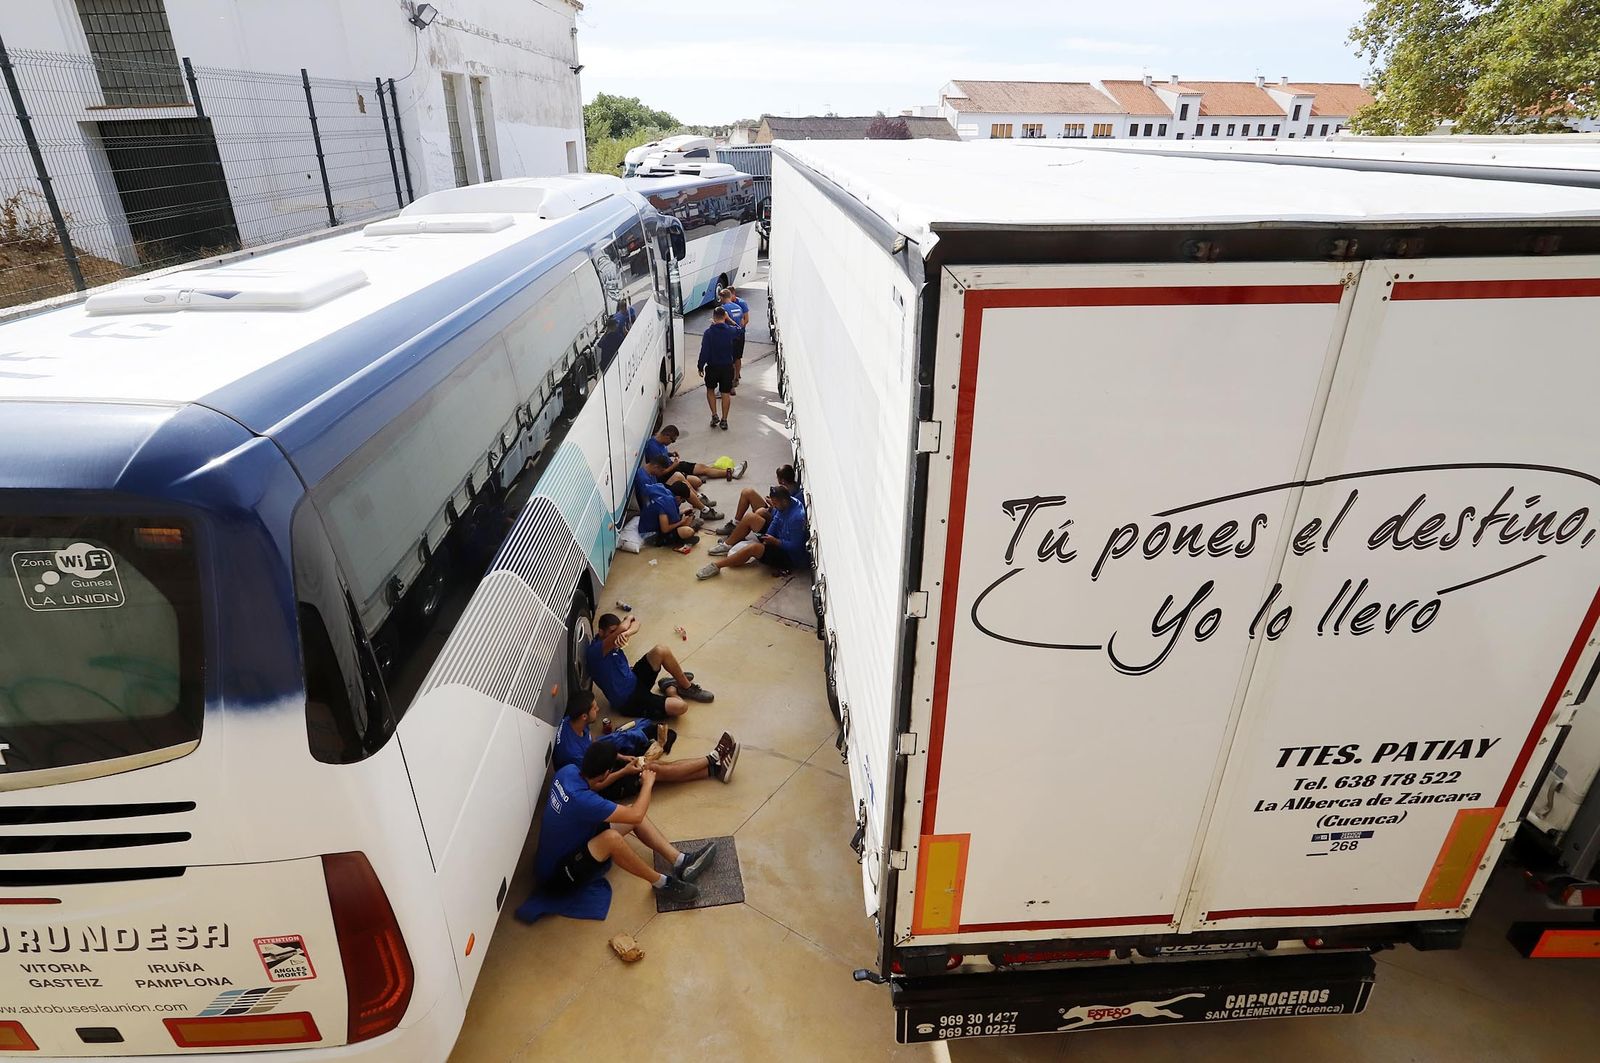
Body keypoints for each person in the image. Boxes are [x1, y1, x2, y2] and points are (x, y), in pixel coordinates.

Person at [532, 743, 716, 902]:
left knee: (627, 812)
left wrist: (624, 771)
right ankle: (662, 884)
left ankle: (680, 861)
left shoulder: (568, 771)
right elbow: (636, 815)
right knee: (612, 837)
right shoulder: (584, 801)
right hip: (556, 877)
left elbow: (596, 785)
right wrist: (648, 784)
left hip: (562, 850)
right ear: (606, 772)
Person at [555, 690, 739, 787]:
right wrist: (624, 771)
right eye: (594, 708)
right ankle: (712, 758)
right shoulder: (573, 754)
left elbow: (592, 745)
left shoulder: (574, 721)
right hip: (597, 785)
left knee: (653, 765)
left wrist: (621, 756)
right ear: (584, 716)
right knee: (652, 769)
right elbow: (593, 785)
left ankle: (715, 770)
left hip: (598, 766)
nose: (598, 709)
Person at [586, 612, 714, 719]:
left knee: (661, 650)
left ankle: (687, 687)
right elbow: (623, 627)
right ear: (600, 632)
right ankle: (671, 688)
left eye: (617, 631)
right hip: (629, 701)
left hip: (634, 678)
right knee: (681, 707)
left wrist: (627, 631)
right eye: (612, 632)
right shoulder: (596, 651)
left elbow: (636, 622)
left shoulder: (615, 639)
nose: (617, 635)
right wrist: (624, 627)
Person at [698, 484, 808, 578]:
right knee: (751, 517)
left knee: (754, 548)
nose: (773, 506)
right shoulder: (784, 504)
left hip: (788, 556)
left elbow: (796, 546)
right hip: (776, 538)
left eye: (775, 504)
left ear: (783, 501)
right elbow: (776, 520)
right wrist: (767, 536)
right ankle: (727, 545)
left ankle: (717, 566)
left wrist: (775, 542)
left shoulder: (797, 518)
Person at [644, 425, 748, 483]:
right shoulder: (653, 448)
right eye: (672, 440)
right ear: (666, 436)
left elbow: (662, 457)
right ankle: (730, 472)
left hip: (674, 466)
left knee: (702, 468)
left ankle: (731, 472)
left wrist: (670, 454)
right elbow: (660, 473)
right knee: (698, 481)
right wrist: (674, 465)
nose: (672, 443)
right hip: (669, 473)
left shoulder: (660, 442)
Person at [718, 464, 799, 537]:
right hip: (773, 511)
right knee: (747, 492)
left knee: (752, 516)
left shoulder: (795, 497)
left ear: (783, 481)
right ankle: (735, 524)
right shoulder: (790, 487)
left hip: (776, 521)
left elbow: (785, 516)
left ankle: (736, 536)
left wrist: (773, 504)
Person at [635, 466, 700, 546]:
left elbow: (662, 512)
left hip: (649, 524)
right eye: (683, 501)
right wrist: (681, 522)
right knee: (687, 531)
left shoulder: (662, 489)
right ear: (678, 497)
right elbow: (665, 529)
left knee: (687, 519)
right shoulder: (668, 503)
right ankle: (683, 538)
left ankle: (687, 530)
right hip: (650, 535)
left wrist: (681, 513)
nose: (681, 503)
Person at [699, 305, 739, 430]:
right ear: (724, 316)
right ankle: (724, 420)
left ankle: (714, 414)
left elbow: (704, 351)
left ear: (713, 317)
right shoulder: (730, 331)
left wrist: (700, 366)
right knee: (725, 393)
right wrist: (730, 320)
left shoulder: (708, 333)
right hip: (727, 367)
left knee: (710, 390)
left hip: (712, 367)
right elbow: (740, 329)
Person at [719, 286, 751, 393]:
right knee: (738, 357)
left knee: (730, 361)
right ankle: (736, 378)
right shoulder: (738, 307)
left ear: (722, 298)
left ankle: (730, 384)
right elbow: (743, 321)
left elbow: (721, 325)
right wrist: (739, 330)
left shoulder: (723, 309)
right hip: (740, 335)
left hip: (729, 337)